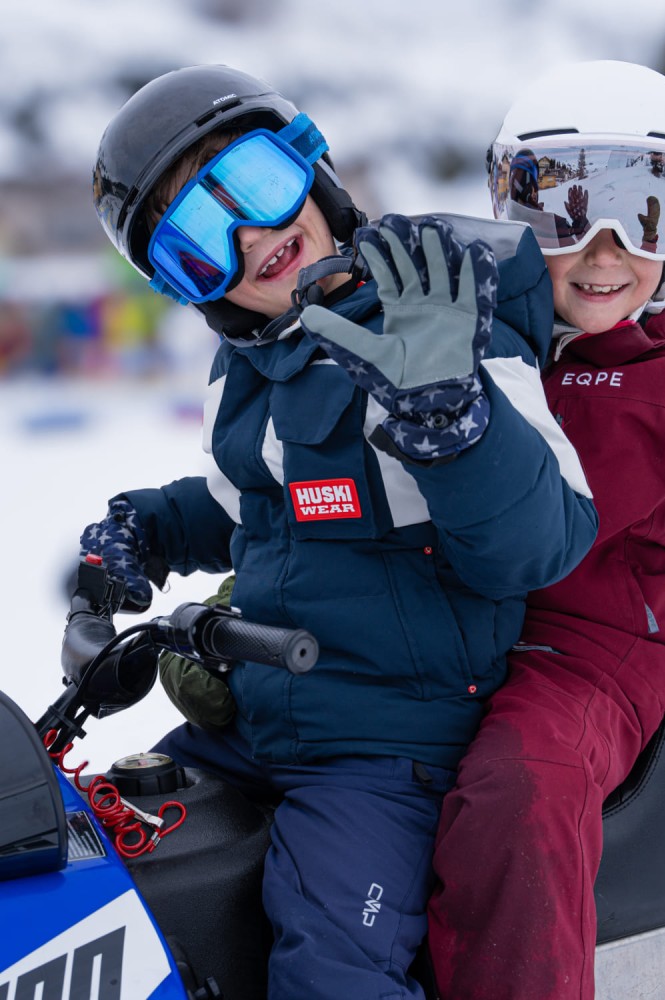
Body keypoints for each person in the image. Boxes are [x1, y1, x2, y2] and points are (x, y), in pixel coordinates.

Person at [76, 64, 598, 1000]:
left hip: (387, 749)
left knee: (329, 970)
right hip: (261, 724)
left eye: (260, 187)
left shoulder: (438, 318)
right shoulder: (249, 368)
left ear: (311, 170)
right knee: (110, 881)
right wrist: (148, 530)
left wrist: (455, 419)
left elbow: (539, 541)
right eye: (200, 239)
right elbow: (250, 501)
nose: (252, 237)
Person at [426, 59, 665, 1000]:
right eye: (562, 213)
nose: (600, 252)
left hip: (593, 652)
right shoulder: (462, 345)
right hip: (454, 626)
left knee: (521, 784)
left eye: (644, 216)